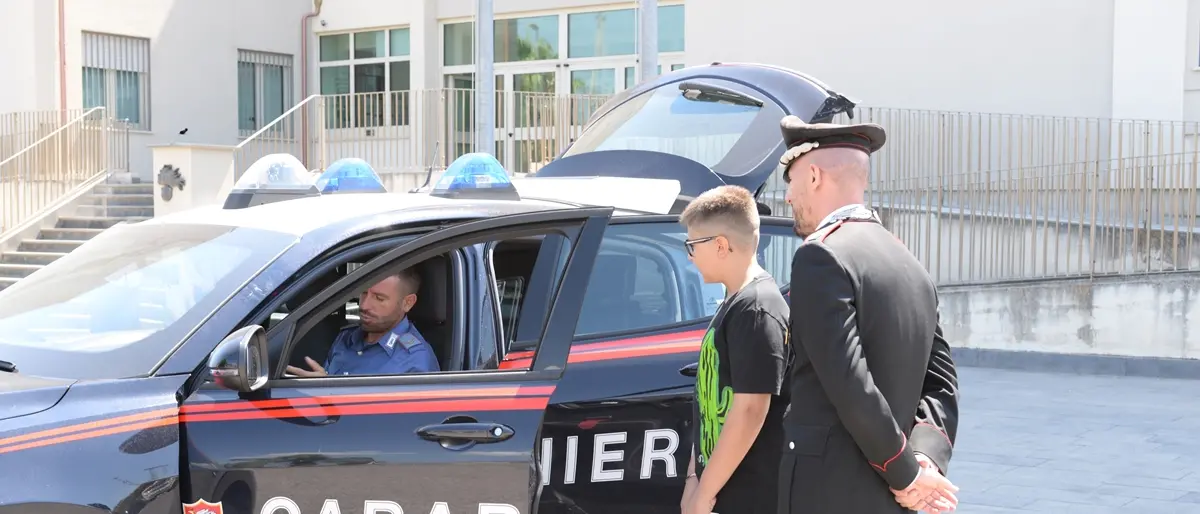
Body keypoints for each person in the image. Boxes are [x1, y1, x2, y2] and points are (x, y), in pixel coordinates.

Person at [775, 116, 961, 514]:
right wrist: (923, 460)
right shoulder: (909, 262)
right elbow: (941, 382)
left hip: (829, 491)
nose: (788, 197)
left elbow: (849, 382)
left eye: (790, 181)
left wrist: (907, 474)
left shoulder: (821, 255)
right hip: (894, 499)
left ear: (813, 176)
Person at [677, 185, 792, 514]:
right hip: (720, 490)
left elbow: (751, 409)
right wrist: (694, 479)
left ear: (720, 245)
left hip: (749, 496)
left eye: (692, 245)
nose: (689, 256)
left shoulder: (756, 308)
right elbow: (707, 404)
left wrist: (704, 494)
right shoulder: (735, 301)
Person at [286, 267, 440, 376]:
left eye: (379, 298)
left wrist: (327, 392)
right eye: (364, 293)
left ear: (408, 303)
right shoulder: (347, 337)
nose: (364, 305)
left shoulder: (415, 361)